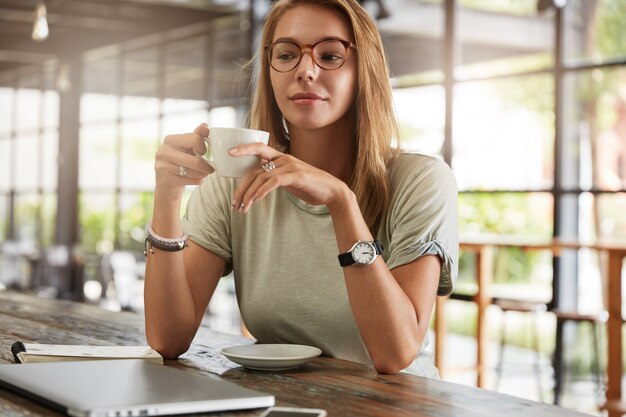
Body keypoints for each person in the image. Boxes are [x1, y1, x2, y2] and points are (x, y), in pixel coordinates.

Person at [144, 0, 458, 377]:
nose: (305, 71)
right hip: (281, 402)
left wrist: (341, 202)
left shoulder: (421, 180)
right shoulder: (233, 180)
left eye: (329, 55)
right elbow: (168, 339)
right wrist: (167, 198)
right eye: (287, 54)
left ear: (364, 70)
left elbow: (395, 353)